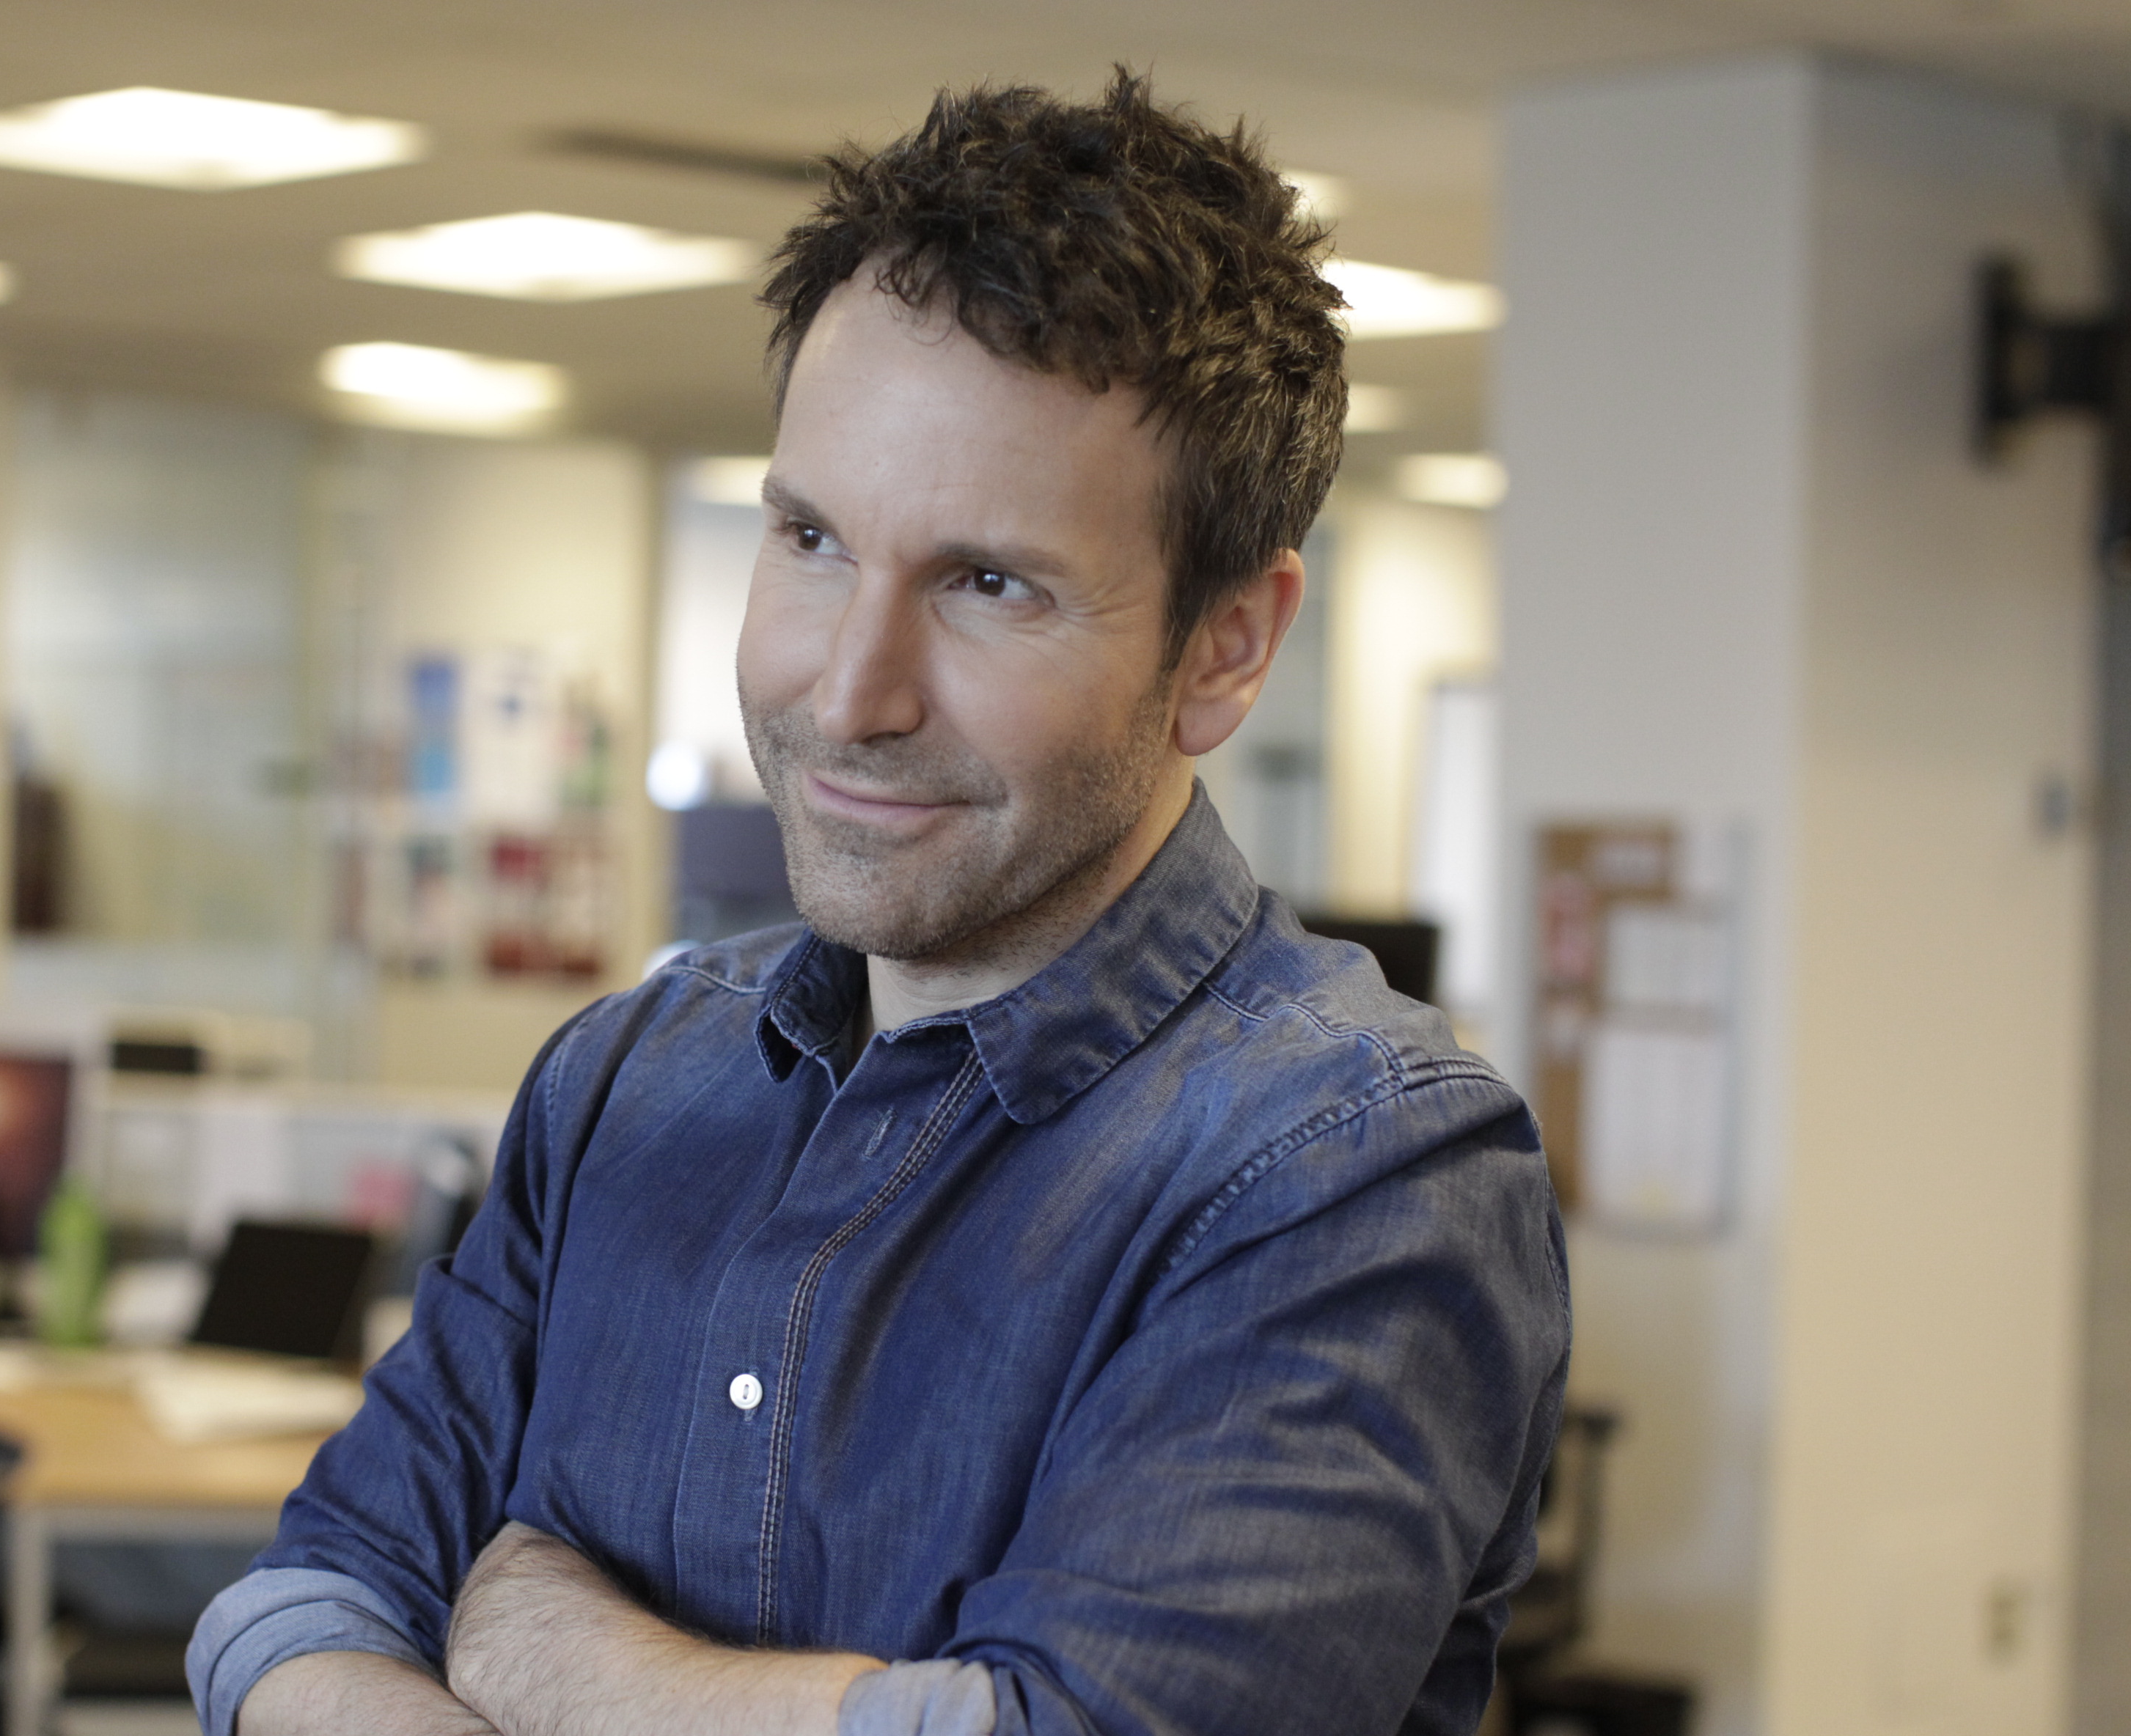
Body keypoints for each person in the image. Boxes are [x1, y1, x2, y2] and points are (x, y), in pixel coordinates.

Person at [189, 70, 1568, 1736]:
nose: (849, 694)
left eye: (989, 584)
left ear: (1226, 647)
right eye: (811, 540)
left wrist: (539, 1638)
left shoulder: (1349, 1170)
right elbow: (302, 1605)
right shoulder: (629, 1079)